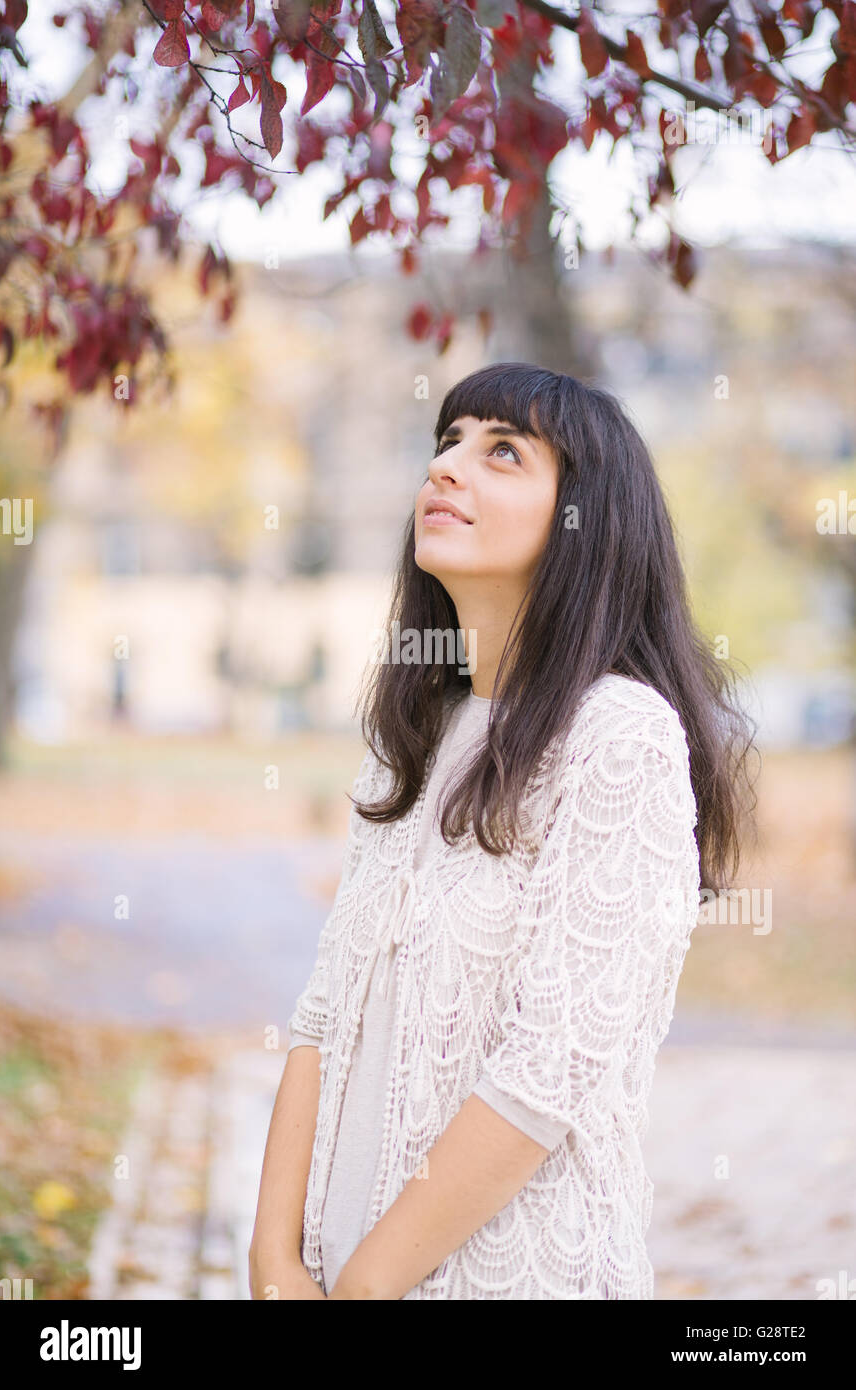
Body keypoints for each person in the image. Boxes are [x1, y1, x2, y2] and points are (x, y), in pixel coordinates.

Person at [249, 362, 757, 1301]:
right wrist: (274, 1261)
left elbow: (545, 1075)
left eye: (503, 452)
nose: (447, 469)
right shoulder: (413, 737)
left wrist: (368, 1286)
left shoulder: (621, 738)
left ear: (586, 524)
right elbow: (322, 1017)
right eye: (447, 443)